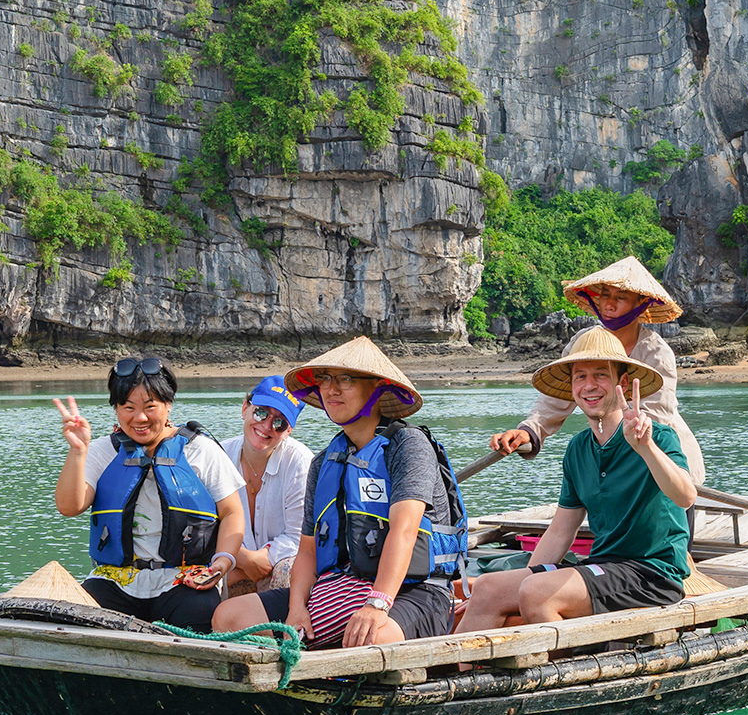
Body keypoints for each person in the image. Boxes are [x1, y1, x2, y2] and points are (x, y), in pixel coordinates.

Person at [211, 336, 467, 648]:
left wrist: (377, 605)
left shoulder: (407, 445)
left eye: (346, 379)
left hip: (413, 592)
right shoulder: (324, 461)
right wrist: (296, 610)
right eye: (325, 380)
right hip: (339, 588)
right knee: (230, 616)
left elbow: (404, 531)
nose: (332, 389)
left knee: (370, 637)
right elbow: (307, 551)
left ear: (376, 388)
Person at [457, 327, 694, 631]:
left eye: (600, 375)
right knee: (488, 588)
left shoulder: (657, 437)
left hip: (652, 574)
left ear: (622, 382)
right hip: (603, 568)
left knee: (537, 594)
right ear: (571, 387)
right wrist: (524, 579)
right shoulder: (578, 448)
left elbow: (685, 496)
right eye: (580, 377)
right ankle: (465, 675)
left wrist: (645, 448)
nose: (589, 386)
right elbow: (559, 533)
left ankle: (555, 674)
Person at [52, 356, 246, 631]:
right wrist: (78, 450)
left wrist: (222, 562)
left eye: (149, 406)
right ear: (116, 409)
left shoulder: (200, 450)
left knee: (200, 620)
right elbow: (69, 507)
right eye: (127, 407)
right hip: (114, 581)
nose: (139, 418)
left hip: (184, 579)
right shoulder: (102, 451)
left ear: (168, 405)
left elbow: (232, 512)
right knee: (80, 623)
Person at [487, 256, 705, 485]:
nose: (609, 305)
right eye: (605, 296)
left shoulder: (655, 352)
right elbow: (554, 400)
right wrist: (530, 431)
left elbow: (656, 416)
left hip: (666, 461)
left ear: (641, 304)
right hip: (615, 463)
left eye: (621, 298)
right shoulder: (583, 342)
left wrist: (619, 443)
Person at [219, 375, 313, 595]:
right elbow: (205, 525)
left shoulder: (300, 462)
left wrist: (262, 558)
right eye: (261, 412)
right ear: (245, 408)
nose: (267, 426)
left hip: (282, 564)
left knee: (287, 569)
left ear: (289, 431)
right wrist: (244, 558)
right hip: (234, 560)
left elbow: (298, 537)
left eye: (280, 423)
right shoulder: (219, 455)